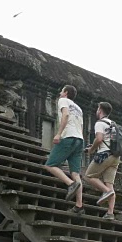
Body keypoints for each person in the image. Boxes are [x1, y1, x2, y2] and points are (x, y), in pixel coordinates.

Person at [43, 85, 84, 213]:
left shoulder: (63, 100)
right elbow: (81, 126)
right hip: (79, 139)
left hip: (68, 136)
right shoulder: (79, 108)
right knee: (75, 173)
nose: (60, 93)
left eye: (61, 91)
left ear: (65, 93)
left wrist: (58, 133)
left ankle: (70, 184)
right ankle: (79, 205)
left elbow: (65, 115)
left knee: (50, 165)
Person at [84, 102, 121, 220]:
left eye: (97, 108)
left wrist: (91, 150)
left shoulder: (100, 123)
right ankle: (110, 213)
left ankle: (105, 191)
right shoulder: (113, 124)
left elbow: (99, 139)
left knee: (88, 176)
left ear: (100, 110)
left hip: (104, 155)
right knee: (110, 184)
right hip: (115, 156)